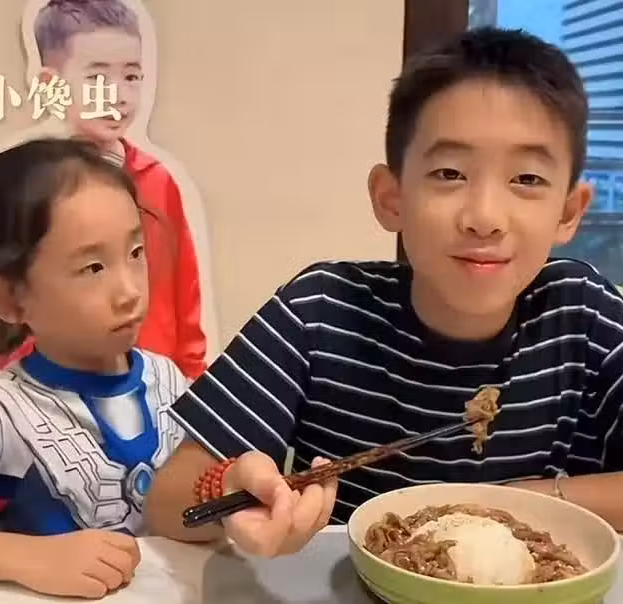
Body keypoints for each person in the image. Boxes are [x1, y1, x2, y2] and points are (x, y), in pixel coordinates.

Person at [143, 27, 623, 557]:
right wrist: (232, 492)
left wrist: (523, 501)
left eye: (527, 179)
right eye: (450, 173)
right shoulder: (321, 312)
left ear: (569, 212)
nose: (485, 217)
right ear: (391, 198)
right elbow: (167, 499)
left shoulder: (587, 318)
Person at [0, 138, 187, 598]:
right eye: (94, 268)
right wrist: (25, 557)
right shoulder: (0, 415)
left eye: (136, 252)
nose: (130, 291)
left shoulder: (169, 381)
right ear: (8, 298)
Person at [0, 0, 207, 379]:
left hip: (156, 389)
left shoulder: (158, 181)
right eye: (97, 78)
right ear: (51, 85)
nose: (119, 94)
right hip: (58, 391)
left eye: (131, 76)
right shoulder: (27, 189)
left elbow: (184, 299)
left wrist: (192, 379)